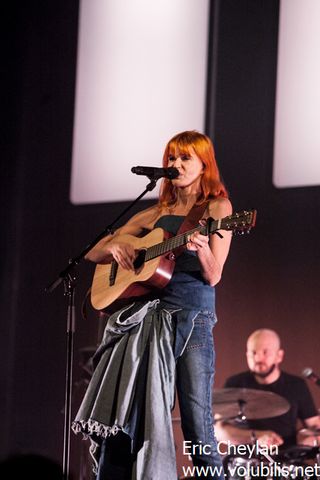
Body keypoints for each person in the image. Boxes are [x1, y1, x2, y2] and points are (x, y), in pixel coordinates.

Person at [72, 130, 233, 480]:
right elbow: (93, 250)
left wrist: (202, 249)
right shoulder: (156, 212)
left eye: (184, 158)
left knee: (197, 424)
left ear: (204, 162)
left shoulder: (218, 208)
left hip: (192, 320)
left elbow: (215, 274)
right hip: (147, 320)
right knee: (127, 416)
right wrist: (116, 247)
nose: (175, 164)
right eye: (171, 158)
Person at [215, 329, 320, 449]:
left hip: (286, 460)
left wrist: (310, 440)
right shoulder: (235, 383)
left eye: (265, 352)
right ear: (247, 355)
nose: (258, 358)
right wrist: (256, 436)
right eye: (253, 353)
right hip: (245, 461)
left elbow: (315, 427)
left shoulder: (296, 385)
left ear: (279, 356)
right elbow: (219, 431)